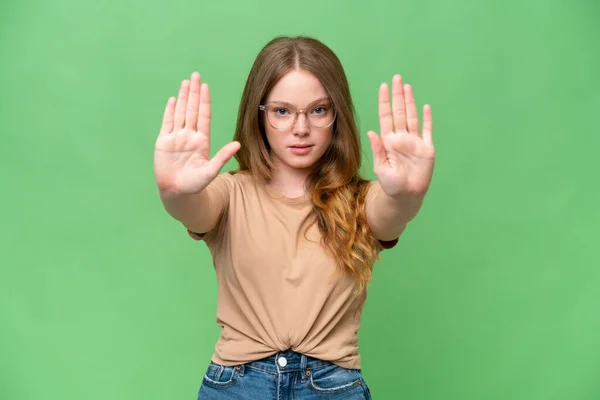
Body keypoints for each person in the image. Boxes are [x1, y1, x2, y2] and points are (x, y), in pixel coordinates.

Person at [154, 36, 435, 399]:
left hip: (333, 388)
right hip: (237, 387)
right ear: (260, 116)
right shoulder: (230, 193)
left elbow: (391, 214)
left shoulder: (362, 199)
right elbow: (192, 209)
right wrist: (175, 191)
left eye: (318, 110)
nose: (300, 128)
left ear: (337, 115)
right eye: (282, 111)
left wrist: (407, 195)